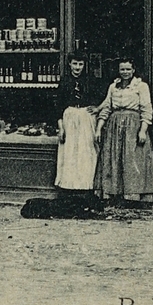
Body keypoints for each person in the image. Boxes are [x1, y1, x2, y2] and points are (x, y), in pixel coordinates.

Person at [93, 58, 153, 207]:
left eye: (128, 69)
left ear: (133, 70)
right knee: (113, 158)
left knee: (132, 159)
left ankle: (132, 196)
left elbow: (147, 110)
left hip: (133, 126)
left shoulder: (141, 86)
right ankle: (113, 194)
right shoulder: (113, 87)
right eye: (122, 69)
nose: (125, 72)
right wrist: (98, 128)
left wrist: (142, 130)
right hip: (114, 127)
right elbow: (107, 108)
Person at [54, 56, 100, 214]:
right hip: (70, 117)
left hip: (86, 117)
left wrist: (96, 108)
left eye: (80, 64)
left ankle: (86, 188)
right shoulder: (64, 81)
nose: (77, 67)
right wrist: (61, 127)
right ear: (70, 64)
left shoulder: (91, 80)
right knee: (70, 152)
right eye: (75, 64)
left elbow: (102, 99)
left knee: (86, 152)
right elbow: (58, 106)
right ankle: (68, 188)